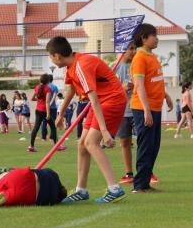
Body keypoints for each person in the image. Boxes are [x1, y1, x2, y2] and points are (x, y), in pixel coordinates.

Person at [49, 36, 127, 204]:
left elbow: (94, 99)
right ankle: (81, 190)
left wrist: (105, 132)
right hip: (99, 102)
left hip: (111, 101)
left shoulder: (81, 66)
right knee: (82, 144)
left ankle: (115, 189)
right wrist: (61, 113)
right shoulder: (71, 67)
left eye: (50, 56)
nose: (51, 59)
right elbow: (71, 91)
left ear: (57, 56)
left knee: (91, 143)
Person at [130, 24, 173, 193]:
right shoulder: (140, 58)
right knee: (146, 145)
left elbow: (156, 80)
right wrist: (146, 110)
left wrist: (166, 96)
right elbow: (139, 85)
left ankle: (145, 183)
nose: (157, 38)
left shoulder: (152, 57)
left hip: (155, 107)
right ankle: (139, 185)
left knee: (154, 146)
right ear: (144, 38)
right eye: (154, 35)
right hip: (143, 109)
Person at [114, 43, 160, 184]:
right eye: (130, 49)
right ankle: (129, 174)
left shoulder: (140, 61)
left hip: (138, 108)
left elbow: (149, 84)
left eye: (135, 48)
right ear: (122, 51)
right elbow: (109, 90)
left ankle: (147, 172)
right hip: (122, 110)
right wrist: (122, 87)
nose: (133, 51)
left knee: (144, 141)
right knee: (125, 142)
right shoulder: (114, 67)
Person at [29, 74, 63, 152]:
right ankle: (56, 146)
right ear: (48, 81)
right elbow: (47, 103)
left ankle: (31, 146)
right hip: (44, 111)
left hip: (38, 110)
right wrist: (48, 114)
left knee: (36, 128)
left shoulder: (37, 87)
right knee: (53, 127)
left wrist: (39, 100)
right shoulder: (48, 89)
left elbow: (32, 98)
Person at [41, 74, 59, 140]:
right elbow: (54, 97)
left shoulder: (44, 87)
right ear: (52, 79)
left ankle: (43, 137)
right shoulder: (55, 87)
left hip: (45, 107)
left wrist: (47, 105)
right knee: (53, 123)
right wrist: (50, 104)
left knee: (44, 122)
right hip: (53, 107)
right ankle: (52, 137)